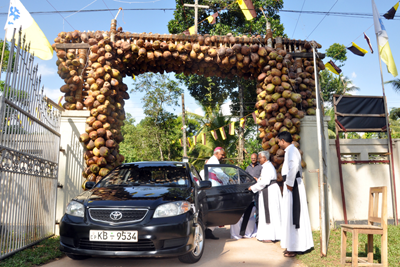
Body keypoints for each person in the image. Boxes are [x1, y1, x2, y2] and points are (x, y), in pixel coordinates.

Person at [277, 131, 314, 257]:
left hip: (292, 186)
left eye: (278, 141)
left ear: (282, 140)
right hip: (292, 185)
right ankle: (293, 245)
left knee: (293, 215)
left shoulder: (292, 150)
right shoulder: (291, 150)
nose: (278, 143)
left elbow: (293, 167)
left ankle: (294, 247)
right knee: (291, 215)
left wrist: (289, 183)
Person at [248, 151, 281, 243]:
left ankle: (270, 236)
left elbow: (264, 182)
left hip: (269, 191)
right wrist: (258, 180)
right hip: (269, 190)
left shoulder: (267, 167)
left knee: (270, 212)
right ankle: (272, 234)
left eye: (260, 158)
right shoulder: (267, 166)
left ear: (264, 158)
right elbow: (264, 180)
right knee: (270, 212)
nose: (258, 159)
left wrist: (253, 187)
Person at [204, 147, 227, 240]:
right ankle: (208, 231)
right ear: (217, 153)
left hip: (212, 187)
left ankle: (208, 230)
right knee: (218, 209)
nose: (223, 156)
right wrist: (228, 179)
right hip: (214, 188)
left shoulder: (212, 160)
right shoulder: (214, 161)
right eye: (222, 154)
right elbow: (220, 174)